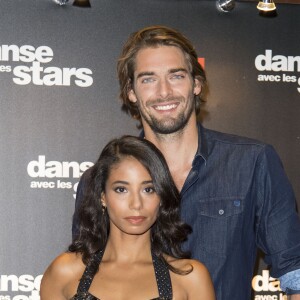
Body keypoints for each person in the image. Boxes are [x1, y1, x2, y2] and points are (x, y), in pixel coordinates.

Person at [73, 26, 300, 299]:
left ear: (196, 84)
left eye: (176, 76)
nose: (164, 92)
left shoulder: (252, 162)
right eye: (148, 80)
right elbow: (85, 274)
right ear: (131, 91)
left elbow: (294, 272)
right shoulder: (99, 180)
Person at [41, 136, 215, 300]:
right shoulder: (64, 272)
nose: (136, 204)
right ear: (102, 196)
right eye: (121, 189)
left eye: (148, 190)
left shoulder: (190, 279)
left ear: (161, 197)